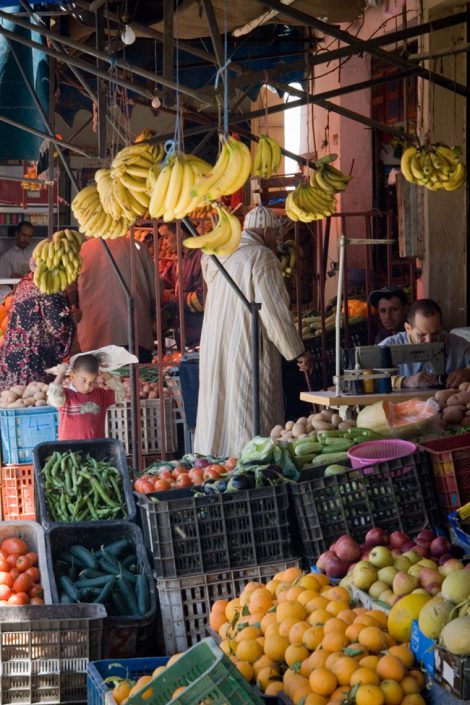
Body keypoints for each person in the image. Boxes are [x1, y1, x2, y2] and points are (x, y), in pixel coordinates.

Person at [194, 205, 313, 457]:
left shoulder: (219, 253)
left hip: (216, 344)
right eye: (276, 234)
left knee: (220, 405)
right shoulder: (261, 256)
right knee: (247, 409)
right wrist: (296, 351)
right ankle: (248, 463)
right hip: (246, 345)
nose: (278, 241)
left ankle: (216, 463)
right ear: (267, 231)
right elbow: (273, 310)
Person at [73, 238, 156, 363]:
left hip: (94, 334)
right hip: (135, 332)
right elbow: (155, 289)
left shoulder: (82, 250)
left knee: (100, 380)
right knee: (139, 379)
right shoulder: (137, 247)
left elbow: (70, 290)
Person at [0, 265, 75, 390]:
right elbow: (58, 327)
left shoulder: (25, 283)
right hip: (34, 365)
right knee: (32, 402)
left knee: (11, 399)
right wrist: (73, 320)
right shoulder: (52, 288)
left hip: (10, 362)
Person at [379, 298, 470, 389]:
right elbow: (371, 379)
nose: (429, 340)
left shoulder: (458, 345)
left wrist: (467, 372)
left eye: (435, 333)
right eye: (421, 335)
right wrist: (404, 381)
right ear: (408, 328)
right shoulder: (387, 347)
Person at [47, 354, 125, 440]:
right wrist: (61, 373)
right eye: (83, 380)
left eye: (93, 381)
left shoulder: (101, 395)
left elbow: (120, 393)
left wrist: (104, 372)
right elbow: (53, 395)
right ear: (72, 376)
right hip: (69, 449)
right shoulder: (65, 395)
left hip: (95, 448)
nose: (88, 386)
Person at [160, 224, 204, 346]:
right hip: (185, 334)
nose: (164, 242)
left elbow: (202, 301)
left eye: (166, 237)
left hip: (200, 335)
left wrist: (171, 298)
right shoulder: (181, 258)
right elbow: (168, 280)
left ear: (179, 232)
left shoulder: (202, 257)